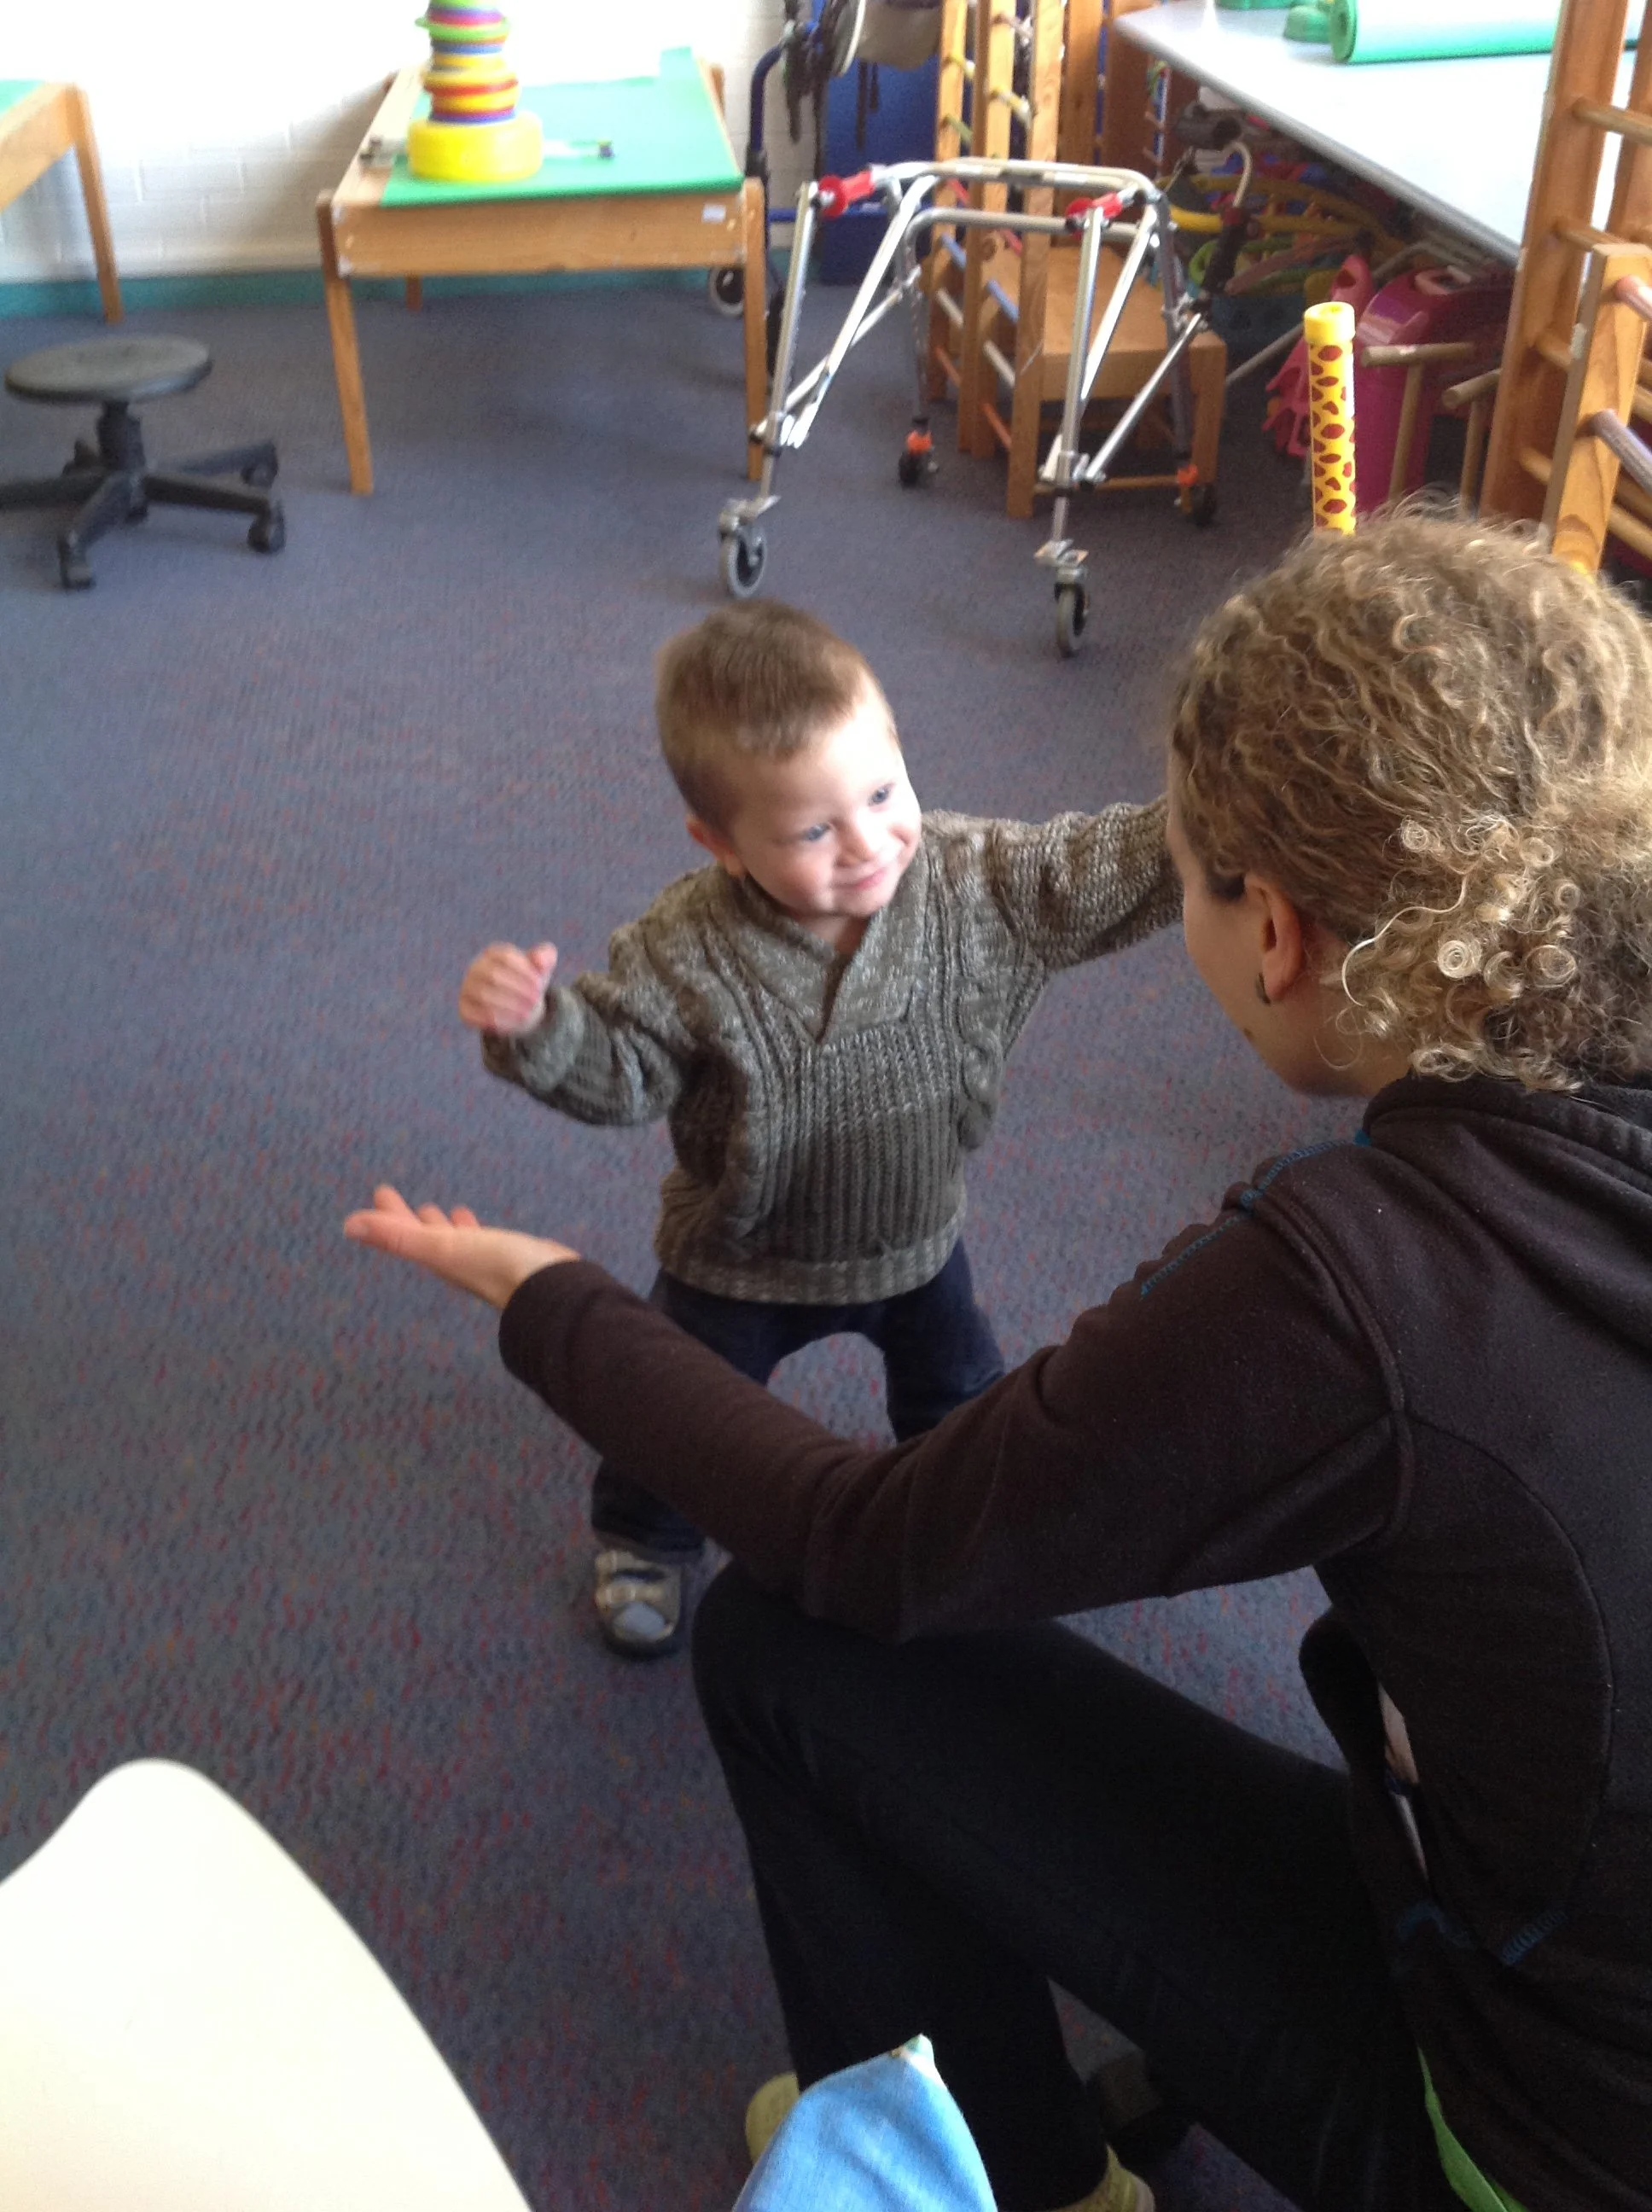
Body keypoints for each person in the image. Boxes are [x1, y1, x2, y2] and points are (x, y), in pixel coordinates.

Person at [349, 511, 1652, 2212]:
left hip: (1546, 2140)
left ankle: (1014, 2179)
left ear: (1272, 932)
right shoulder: (687, 949)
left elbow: (867, 1545)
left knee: (791, 1638)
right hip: (1535, 1914)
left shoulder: (1354, 1283)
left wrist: (549, 1298)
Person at [456, 601, 1176, 1656]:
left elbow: (1094, 866)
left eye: (882, 793)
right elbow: (624, 1075)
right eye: (812, 830)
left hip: (917, 1242)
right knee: (676, 1415)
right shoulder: (683, 948)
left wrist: (1210, 818)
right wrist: (540, 1030)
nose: (868, 843)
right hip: (740, 1261)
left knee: (962, 1406)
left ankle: (966, 1542)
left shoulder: (970, 880)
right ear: (719, 844)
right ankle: (646, 1538)